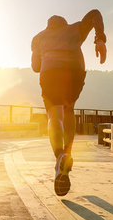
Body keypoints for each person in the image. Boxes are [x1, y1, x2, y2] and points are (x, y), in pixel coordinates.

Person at [31, 10, 107, 196]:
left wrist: (44, 52)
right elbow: (95, 14)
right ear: (64, 24)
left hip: (51, 73)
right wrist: (100, 39)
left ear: (48, 26)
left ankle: (60, 157)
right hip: (74, 71)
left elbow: (35, 67)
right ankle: (68, 153)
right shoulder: (75, 29)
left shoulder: (38, 37)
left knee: (54, 114)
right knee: (69, 110)